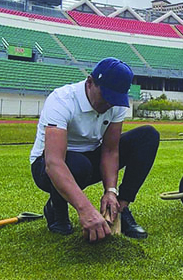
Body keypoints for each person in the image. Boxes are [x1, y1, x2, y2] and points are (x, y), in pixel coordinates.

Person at [30, 57, 159, 242]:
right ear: (90, 82)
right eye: (106, 96)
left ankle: (119, 210)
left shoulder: (115, 104)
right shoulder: (62, 99)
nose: (109, 104)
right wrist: (86, 210)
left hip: (90, 158)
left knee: (148, 136)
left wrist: (111, 191)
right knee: (78, 165)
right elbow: (53, 163)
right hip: (47, 165)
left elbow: (110, 150)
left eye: (114, 99)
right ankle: (56, 207)